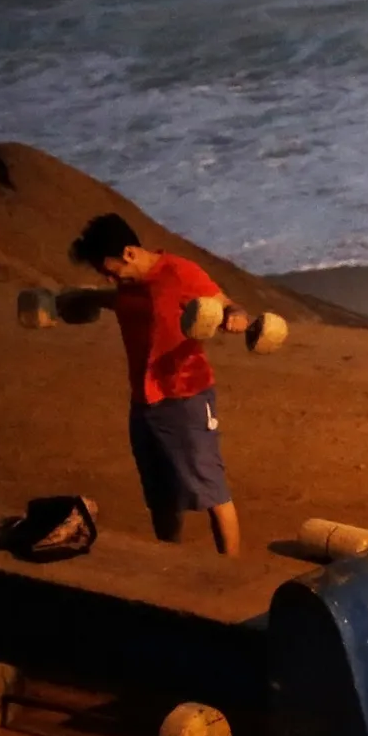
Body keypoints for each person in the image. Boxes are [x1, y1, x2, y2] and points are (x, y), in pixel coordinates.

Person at [62, 213, 250, 555]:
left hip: (186, 397)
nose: (109, 277)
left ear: (130, 253)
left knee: (211, 492)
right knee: (161, 497)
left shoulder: (180, 273)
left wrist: (236, 317)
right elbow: (120, 301)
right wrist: (83, 299)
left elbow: (227, 304)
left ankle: (231, 571)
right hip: (144, 403)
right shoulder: (127, 285)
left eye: (109, 269)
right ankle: (169, 561)